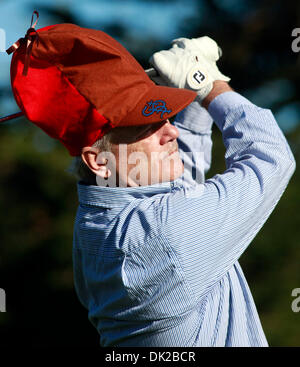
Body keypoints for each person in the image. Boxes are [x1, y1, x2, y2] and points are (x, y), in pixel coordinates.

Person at [5, 20, 295, 347]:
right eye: (146, 125)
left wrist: (189, 90)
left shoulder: (101, 218)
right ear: (98, 161)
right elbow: (271, 157)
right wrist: (209, 84)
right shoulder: (158, 234)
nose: (171, 132)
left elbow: (183, 181)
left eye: (164, 116)